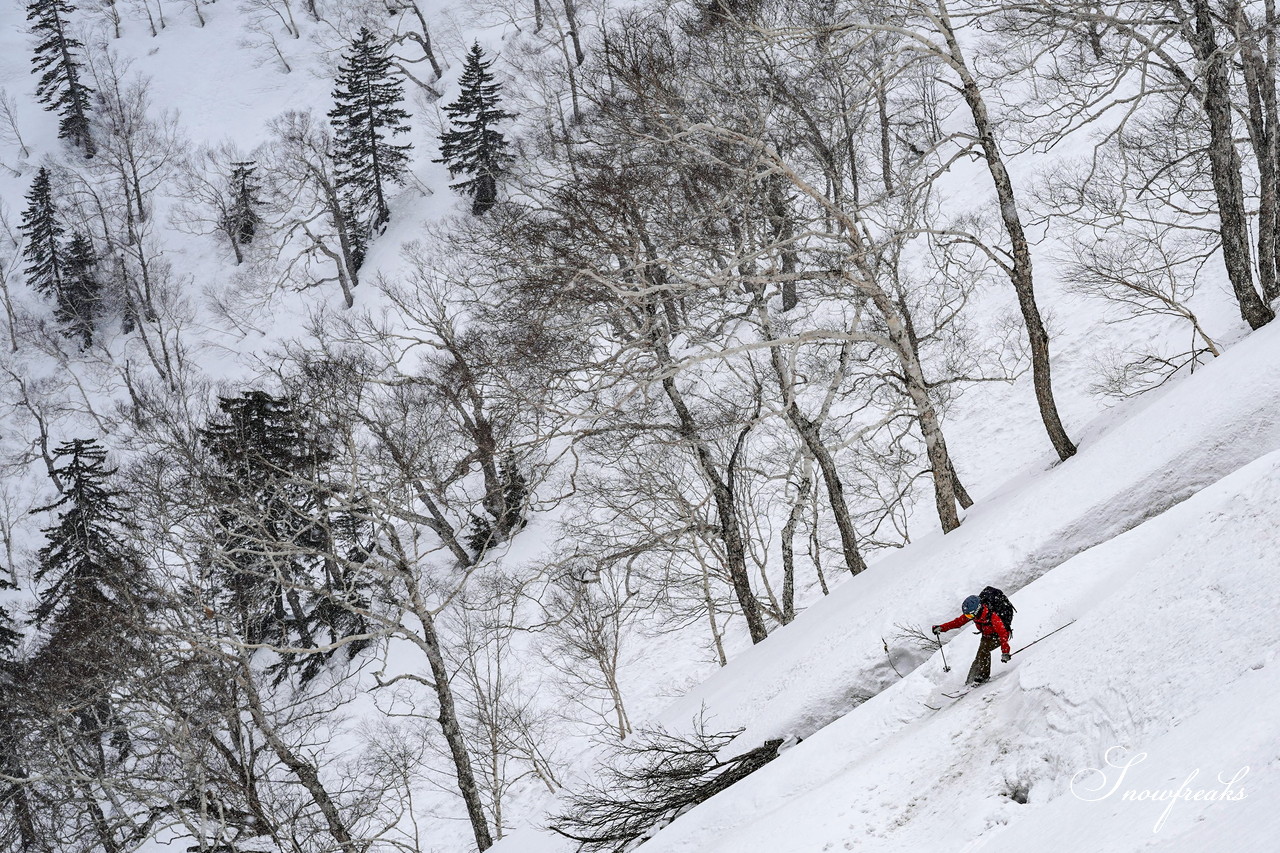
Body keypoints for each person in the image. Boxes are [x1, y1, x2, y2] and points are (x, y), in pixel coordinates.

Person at [932, 594, 1011, 686]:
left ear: (977, 610)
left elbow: (1003, 634)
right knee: (979, 657)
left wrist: (1005, 652)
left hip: (998, 636)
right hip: (987, 635)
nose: (969, 617)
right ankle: (970, 681)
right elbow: (958, 622)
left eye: (970, 615)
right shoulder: (974, 614)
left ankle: (982, 677)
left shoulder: (992, 616)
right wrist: (942, 628)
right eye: (967, 616)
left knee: (983, 652)